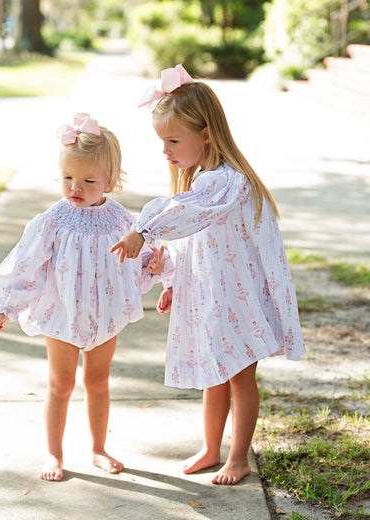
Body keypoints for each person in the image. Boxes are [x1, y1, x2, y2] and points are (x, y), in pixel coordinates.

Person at [110, 66, 306, 485]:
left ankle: (239, 457)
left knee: (239, 376)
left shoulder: (228, 184)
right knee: (213, 374)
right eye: (162, 141)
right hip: (210, 295)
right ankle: (210, 447)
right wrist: (173, 282)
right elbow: (191, 242)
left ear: (206, 135)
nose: (166, 150)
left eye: (173, 141)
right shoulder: (204, 180)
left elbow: (188, 217)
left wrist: (143, 230)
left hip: (238, 299)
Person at [0, 113, 172, 482]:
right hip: (62, 314)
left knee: (98, 381)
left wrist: (158, 270)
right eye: (68, 178)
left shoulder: (122, 221)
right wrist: (6, 304)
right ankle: (54, 454)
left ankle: (97, 448)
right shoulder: (54, 220)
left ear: (111, 180)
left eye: (88, 180)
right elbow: (27, 261)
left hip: (104, 315)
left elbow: (141, 257)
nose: (76, 186)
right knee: (61, 384)